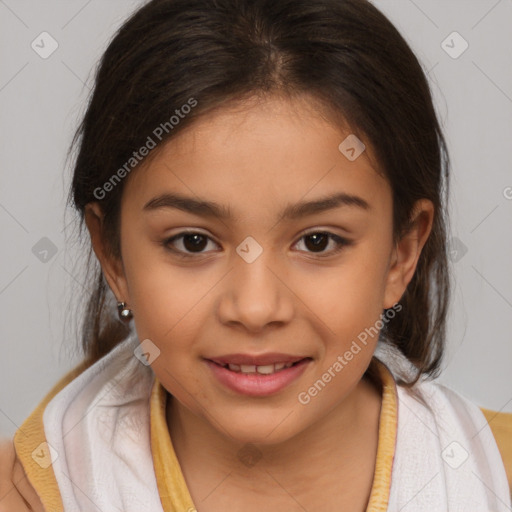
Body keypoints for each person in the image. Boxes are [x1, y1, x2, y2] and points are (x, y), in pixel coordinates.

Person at [1, 0, 511, 510]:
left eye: (318, 241)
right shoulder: (27, 492)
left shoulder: (497, 476)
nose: (255, 308)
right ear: (113, 255)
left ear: (402, 253)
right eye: (193, 241)